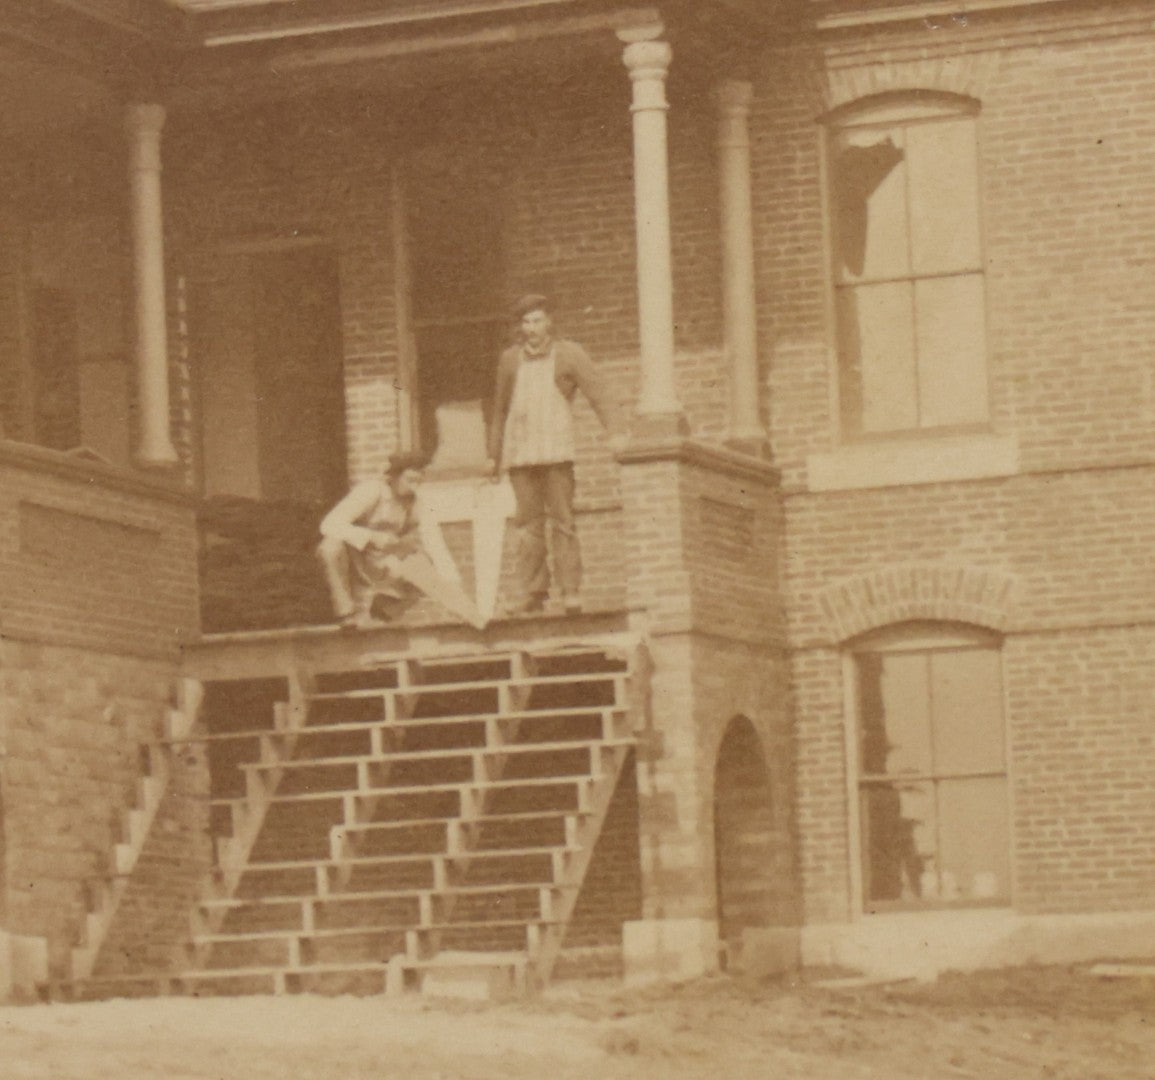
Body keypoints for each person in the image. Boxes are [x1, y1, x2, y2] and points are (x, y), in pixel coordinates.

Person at [488, 294, 620, 615]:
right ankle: (531, 592)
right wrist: (493, 454)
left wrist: (615, 432)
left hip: (556, 453)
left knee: (563, 522)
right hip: (521, 456)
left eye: (537, 321)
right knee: (527, 526)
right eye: (525, 322)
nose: (531, 328)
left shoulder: (569, 354)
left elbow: (599, 394)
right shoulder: (510, 360)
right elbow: (499, 409)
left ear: (549, 322)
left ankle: (570, 590)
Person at [317, 451, 486, 630]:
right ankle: (346, 614)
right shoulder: (372, 490)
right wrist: (371, 536)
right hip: (355, 558)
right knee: (329, 547)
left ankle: (384, 612)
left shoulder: (417, 504)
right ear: (395, 476)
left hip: (382, 560)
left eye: (418, 481)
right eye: (410, 480)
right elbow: (329, 524)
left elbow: (435, 544)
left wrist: (454, 585)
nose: (414, 486)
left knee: (423, 565)